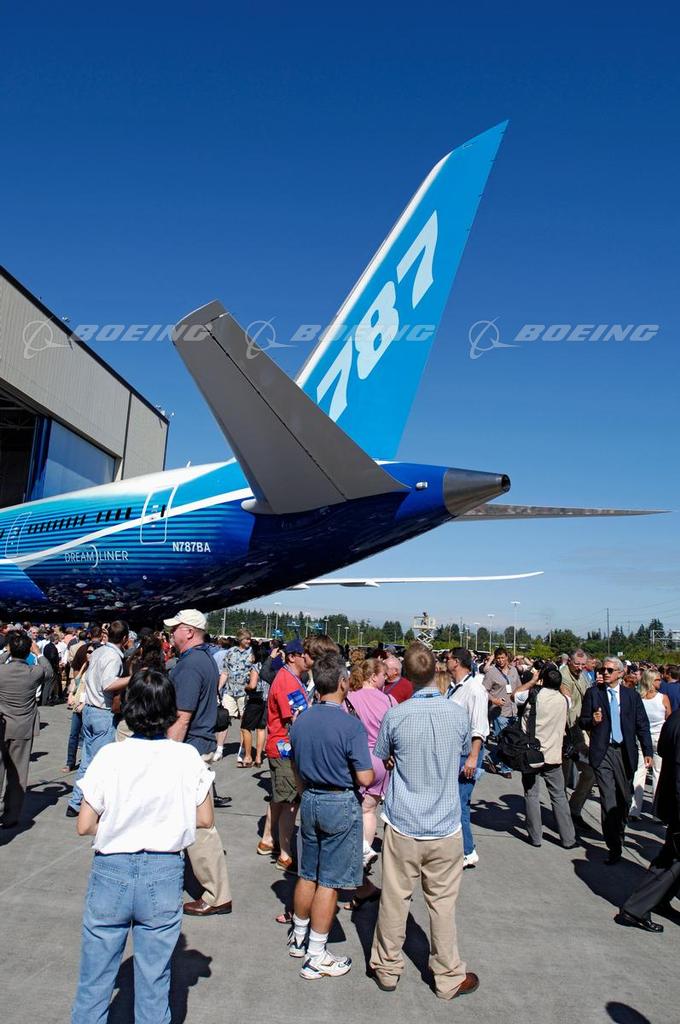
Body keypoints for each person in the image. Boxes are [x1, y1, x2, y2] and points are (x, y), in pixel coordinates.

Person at [71, 669, 215, 1022]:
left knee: (94, 980)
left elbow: (84, 824)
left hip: (113, 867)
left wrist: (120, 823)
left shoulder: (110, 755)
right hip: (163, 869)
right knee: (154, 980)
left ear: (129, 706)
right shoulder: (186, 757)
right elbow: (205, 818)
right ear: (170, 709)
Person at [369, 643, 478, 1000]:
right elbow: (462, 750)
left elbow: (383, 755)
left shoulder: (396, 715)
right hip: (444, 823)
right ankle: (448, 975)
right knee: (442, 904)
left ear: (406, 676)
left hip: (404, 821)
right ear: (436, 672)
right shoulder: (456, 714)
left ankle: (387, 967)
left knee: (394, 898)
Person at [287, 652, 373, 979]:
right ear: (342, 683)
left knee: (308, 872)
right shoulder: (350, 726)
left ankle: (299, 936)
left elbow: (294, 765)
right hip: (338, 800)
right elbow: (365, 777)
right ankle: (316, 954)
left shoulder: (302, 720)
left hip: (310, 797)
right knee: (330, 881)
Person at [163, 608, 232, 917]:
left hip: (188, 750)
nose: (171, 633)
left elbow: (182, 717)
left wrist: (166, 754)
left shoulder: (191, 665)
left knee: (199, 825)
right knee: (193, 821)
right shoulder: (203, 659)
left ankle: (216, 894)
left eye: (175, 628)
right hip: (197, 747)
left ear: (189, 631)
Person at [580, 657, 653, 864]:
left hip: (625, 752)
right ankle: (614, 845)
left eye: (609, 670)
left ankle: (618, 833)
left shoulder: (631, 696)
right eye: (602, 669)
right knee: (608, 799)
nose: (604, 672)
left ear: (620, 673)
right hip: (603, 752)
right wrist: (592, 721)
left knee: (624, 799)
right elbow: (582, 721)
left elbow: (642, 724)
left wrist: (647, 750)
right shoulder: (594, 693)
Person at [616, 708, 680, 932]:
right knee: (672, 863)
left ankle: (658, 900)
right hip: (677, 804)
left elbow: (662, 748)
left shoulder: (676, 717)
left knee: (670, 856)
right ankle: (636, 908)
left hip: (672, 802)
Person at [66, 621, 131, 817]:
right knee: (100, 763)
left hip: (90, 709)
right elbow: (108, 684)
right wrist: (133, 678)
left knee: (87, 760)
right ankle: (91, 806)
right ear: (125, 639)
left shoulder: (99, 652)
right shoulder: (113, 656)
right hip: (102, 712)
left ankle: (75, 802)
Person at [514, 664, 577, 849]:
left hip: (531, 754)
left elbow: (515, 695)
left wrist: (533, 681)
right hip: (553, 754)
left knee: (531, 794)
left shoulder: (532, 696)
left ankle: (535, 836)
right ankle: (568, 838)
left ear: (542, 680)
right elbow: (568, 694)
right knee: (559, 796)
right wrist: (559, 680)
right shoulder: (564, 700)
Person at [258, 639, 309, 867]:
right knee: (291, 801)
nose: (309, 658)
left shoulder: (291, 677)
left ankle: (268, 840)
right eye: (305, 654)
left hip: (280, 746)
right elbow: (296, 719)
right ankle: (285, 854)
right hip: (284, 748)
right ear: (292, 657)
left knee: (280, 797)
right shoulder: (287, 680)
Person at [345, 657, 395, 875]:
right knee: (369, 810)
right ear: (374, 676)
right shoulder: (390, 700)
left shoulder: (349, 698)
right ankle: (364, 852)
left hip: (357, 757)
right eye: (384, 675)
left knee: (353, 807)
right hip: (381, 760)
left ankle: (356, 851)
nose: (386, 678)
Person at [0, 632, 51, 827]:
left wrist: (8, 651)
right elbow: (49, 672)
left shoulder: (2, 670)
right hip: (22, 727)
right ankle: (11, 815)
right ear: (28, 650)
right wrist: (38, 653)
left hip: (2, 724)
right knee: (18, 774)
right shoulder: (33, 672)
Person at [446, 647, 489, 868]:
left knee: (460, 802)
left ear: (457, 662)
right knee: (456, 801)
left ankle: (467, 850)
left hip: (467, 753)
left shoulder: (474, 690)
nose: (445, 661)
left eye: (448, 658)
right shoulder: (454, 687)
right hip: (456, 751)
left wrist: (473, 757)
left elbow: (479, 727)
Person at [560, 649, 596, 829]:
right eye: (577, 664)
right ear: (569, 662)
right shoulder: (563, 676)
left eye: (583, 664)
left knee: (590, 772)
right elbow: (566, 700)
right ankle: (562, 817)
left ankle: (574, 809)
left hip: (579, 730)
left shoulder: (584, 676)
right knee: (563, 777)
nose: (580, 667)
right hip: (565, 733)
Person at [630, 669, 670, 818]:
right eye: (658, 679)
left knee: (639, 772)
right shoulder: (663, 698)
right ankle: (657, 812)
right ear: (651, 681)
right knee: (658, 773)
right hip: (659, 737)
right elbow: (668, 718)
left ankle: (634, 809)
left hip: (642, 737)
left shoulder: (638, 698)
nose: (660, 682)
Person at [483, 647, 521, 779]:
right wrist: (494, 700)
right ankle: (506, 768)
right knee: (506, 740)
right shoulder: (491, 673)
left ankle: (493, 758)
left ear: (507, 657)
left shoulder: (513, 670)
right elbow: (483, 690)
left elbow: (519, 687)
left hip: (513, 710)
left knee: (510, 740)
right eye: (498, 658)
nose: (500, 660)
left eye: (502, 657)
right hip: (499, 711)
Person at [241, 642, 268, 767]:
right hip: (266, 700)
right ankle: (258, 757)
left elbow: (252, 685)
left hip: (255, 700)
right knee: (261, 728)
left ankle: (247, 756)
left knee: (246, 727)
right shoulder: (269, 667)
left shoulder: (256, 666)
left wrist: (245, 687)